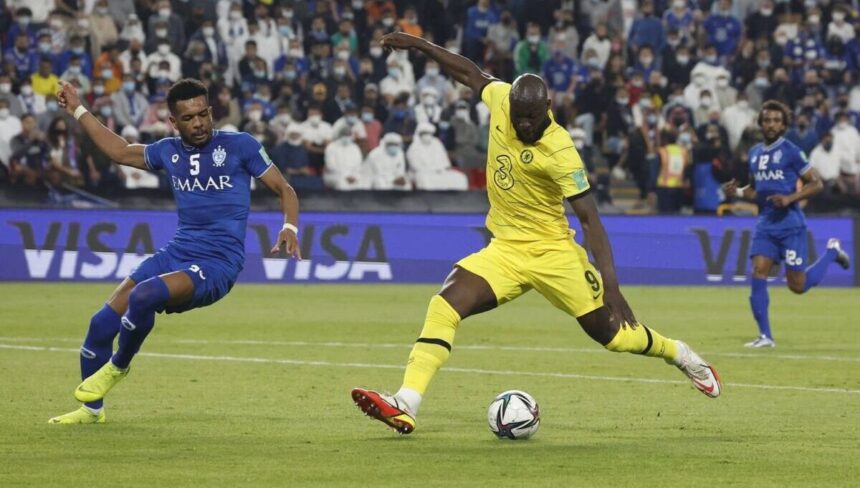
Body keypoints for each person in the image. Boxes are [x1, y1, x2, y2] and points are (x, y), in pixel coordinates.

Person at [351, 32, 722, 436]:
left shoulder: (560, 150)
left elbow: (591, 220)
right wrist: (420, 45)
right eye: (518, 115)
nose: (523, 123)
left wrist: (612, 285)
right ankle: (406, 403)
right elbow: (470, 72)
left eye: (531, 116)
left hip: (554, 253)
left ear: (548, 107)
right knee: (444, 305)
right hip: (506, 249)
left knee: (613, 337)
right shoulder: (501, 100)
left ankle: (681, 354)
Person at [48, 79, 301, 424]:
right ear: (173, 122)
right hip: (178, 252)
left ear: (211, 112)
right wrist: (78, 108)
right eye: (189, 118)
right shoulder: (168, 152)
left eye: (203, 114)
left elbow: (283, 188)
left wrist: (290, 226)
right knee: (101, 323)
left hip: (218, 263)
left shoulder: (241, 146)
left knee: (144, 296)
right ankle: (91, 411)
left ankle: (119, 366)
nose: (198, 123)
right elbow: (119, 151)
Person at [724, 101, 850, 349]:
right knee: (758, 270)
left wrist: (790, 198)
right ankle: (765, 336)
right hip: (765, 226)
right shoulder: (754, 154)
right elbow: (755, 190)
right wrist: (737, 192)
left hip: (791, 226)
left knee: (798, 286)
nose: (770, 124)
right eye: (767, 120)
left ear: (783, 125)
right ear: (761, 123)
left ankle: (832, 252)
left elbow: (817, 183)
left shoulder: (792, 151)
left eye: (775, 121)